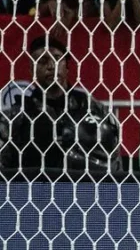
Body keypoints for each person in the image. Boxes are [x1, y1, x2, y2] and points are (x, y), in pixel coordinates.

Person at [1, 37, 119, 172]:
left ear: (67, 67)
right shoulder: (17, 116)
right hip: (34, 189)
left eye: (57, 58)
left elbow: (114, 159)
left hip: (85, 188)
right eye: (43, 61)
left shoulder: (91, 107)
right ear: (32, 70)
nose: (51, 66)